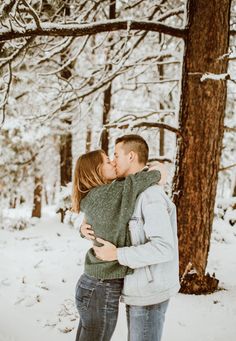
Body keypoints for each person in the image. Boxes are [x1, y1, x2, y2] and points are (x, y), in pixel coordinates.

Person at [82, 134, 180, 341]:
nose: (113, 160)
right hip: (137, 288)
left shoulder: (149, 195)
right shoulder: (129, 190)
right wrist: (84, 227)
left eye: (116, 155)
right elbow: (104, 214)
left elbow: (164, 247)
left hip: (149, 292)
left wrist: (117, 254)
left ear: (131, 157)